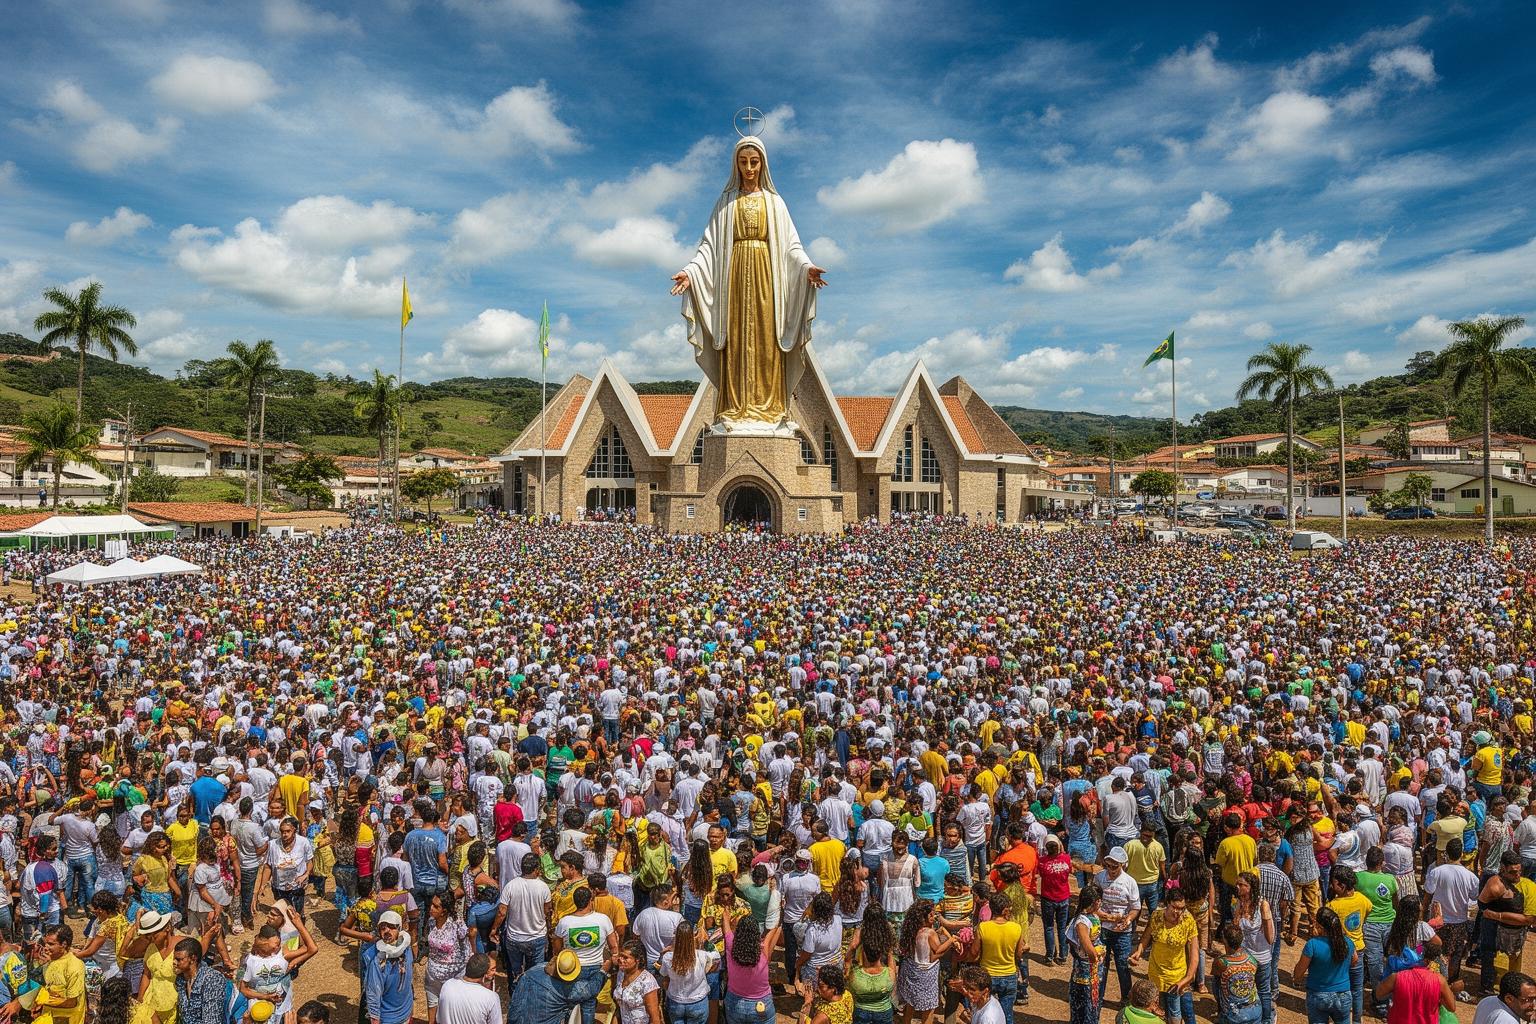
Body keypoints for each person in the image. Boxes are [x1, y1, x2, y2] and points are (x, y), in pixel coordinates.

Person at [1129, 886, 1198, 1024]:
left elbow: (1194, 952)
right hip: (1156, 974)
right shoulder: (1156, 916)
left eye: (1181, 908)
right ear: (1167, 903)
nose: (1178, 912)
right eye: (1175, 907)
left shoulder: (1188, 920)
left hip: (1176, 977)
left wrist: (1188, 978)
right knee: (1158, 1010)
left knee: (1175, 1014)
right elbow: (1146, 938)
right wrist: (1138, 951)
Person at [241, 904, 318, 1024]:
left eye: (279, 943)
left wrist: (298, 924)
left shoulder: (283, 954)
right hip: (259, 1012)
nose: (278, 946)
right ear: (263, 943)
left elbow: (312, 948)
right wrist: (266, 997)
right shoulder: (246, 961)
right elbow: (242, 989)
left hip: (282, 1009)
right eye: (275, 944)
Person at [1294, 907, 1355, 1024]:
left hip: (1318, 994)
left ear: (1321, 926)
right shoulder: (1348, 942)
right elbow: (1354, 961)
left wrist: (1296, 979)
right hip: (1343, 995)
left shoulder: (1313, 944)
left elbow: (1299, 971)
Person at [660, 921, 717, 1024]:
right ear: (692, 938)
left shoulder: (668, 958)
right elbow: (716, 956)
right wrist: (705, 941)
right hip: (698, 1002)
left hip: (675, 1002)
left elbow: (664, 975)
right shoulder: (702, 956)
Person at [1069, 884, 1107, 1024]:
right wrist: (1100, 951)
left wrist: (1119, 918)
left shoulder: (1093, 914)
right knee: (1085, 1008)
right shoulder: (1081, 923)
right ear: (1096, 901)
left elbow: (1105, 916)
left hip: (1094, 971)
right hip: (1085, 974)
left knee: (1093, 1005)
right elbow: (1089, 950)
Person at [1212, 923, 1261, 1024]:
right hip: (1255, 1010)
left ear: (1224, 940)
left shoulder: (1221, 962)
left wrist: (1221, 1008)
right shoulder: (1252, 959)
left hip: (1234, 1015)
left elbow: (1216, 986)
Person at [436, 954, 500, 1024]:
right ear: (484, 975)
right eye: (492, 969)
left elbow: (439, 1018)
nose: (494, 972)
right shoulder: (491, 997)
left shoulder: (448, 985)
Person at [612, 939, 663, 1024]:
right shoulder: (621, 974)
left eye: (625, 957)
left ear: (637, 960)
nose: (620, 960)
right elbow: (619, 1008)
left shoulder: (647, 981)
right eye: (620, 956)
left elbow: (655, 1018)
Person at [1472, 971, 1536, 1024]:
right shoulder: (1508, 1021)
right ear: (1509, 999)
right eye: (1528, 1000)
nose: (1534, 1006)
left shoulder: (1487, 1000)